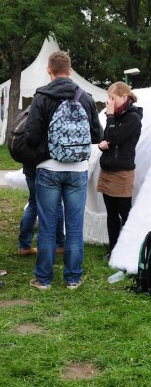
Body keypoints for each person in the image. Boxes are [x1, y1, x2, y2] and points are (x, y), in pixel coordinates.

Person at [24, 51, 102, 290]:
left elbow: (31, 135)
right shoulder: (85, 97)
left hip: (48, 169)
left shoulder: (42, 97)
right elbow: (98, 135)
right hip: (78, 170)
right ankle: (73, 278)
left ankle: (44, 279)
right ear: (70, 71)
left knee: (47, 226)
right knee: (75, 226)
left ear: (49, 70)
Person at [97, 81, 142, 256]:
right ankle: (113, 249)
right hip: (108, 169)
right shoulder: (115, 116)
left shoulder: (133, 117)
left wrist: (109, 117)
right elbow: (107, 137)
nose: (109, 102)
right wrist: (102, 145)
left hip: (123, 172)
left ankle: (128, 249)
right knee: (111, 213)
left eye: (112, 98)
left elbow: (114, 136)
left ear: (124, 97)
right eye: (109, 97)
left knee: (125, 213)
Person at [18, 163, 65, 256]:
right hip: (50, 167)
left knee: (33, 205)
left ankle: (24, 246)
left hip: (31, 168)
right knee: (57, 205)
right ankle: (59, 244)